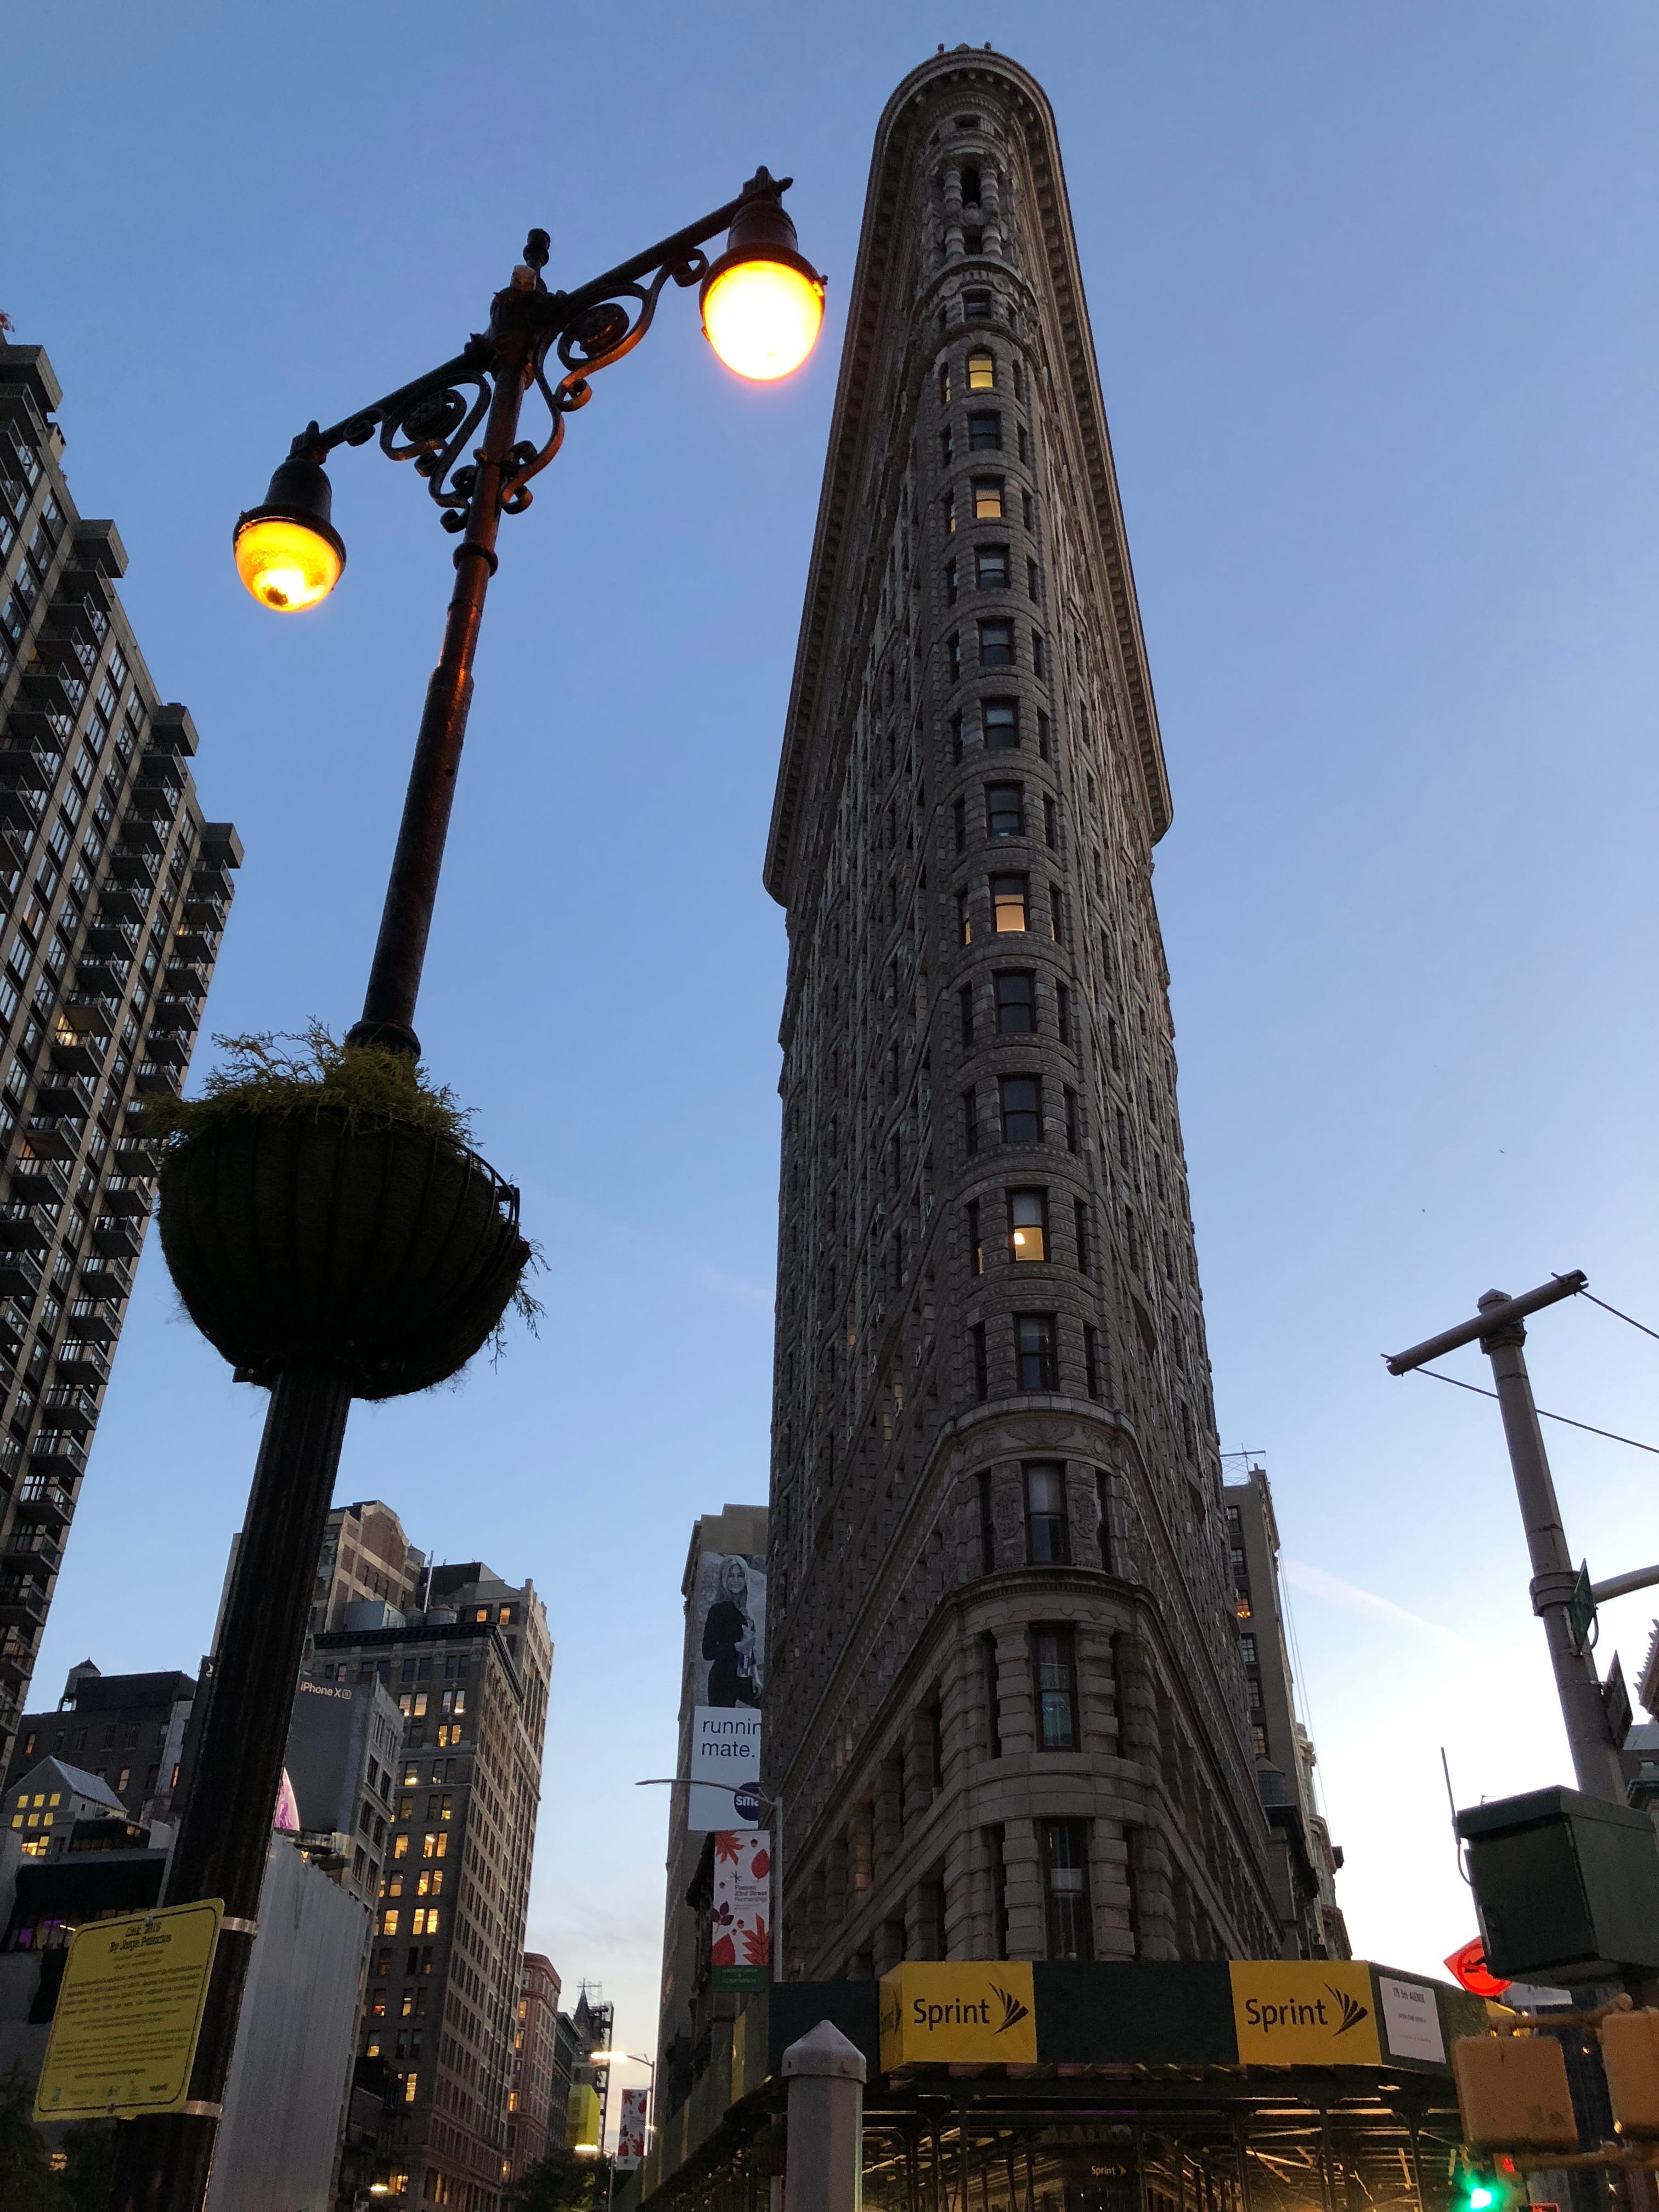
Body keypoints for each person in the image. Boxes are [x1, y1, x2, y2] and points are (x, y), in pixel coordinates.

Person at [703, 1555, 761, 1707]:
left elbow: (749, 1649)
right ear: (724, 1578)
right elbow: (708, 1652)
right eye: (731, 1576)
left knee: (765, 1708)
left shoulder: (748, 1612)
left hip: (744, 1676)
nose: (736, 1580)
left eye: (740, 1576)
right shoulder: (718, 1610)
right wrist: (737, 1647)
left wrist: (755, 1676)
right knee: (722, 1721)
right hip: (723, 1679)